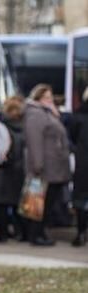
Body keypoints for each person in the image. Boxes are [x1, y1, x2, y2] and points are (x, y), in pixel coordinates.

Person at [24, 84, 72, 246]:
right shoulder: (35, 115)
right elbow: (35, 140)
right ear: (38, 98)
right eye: (46, 97)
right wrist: (37, 164)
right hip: (45, 167)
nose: (49, 100)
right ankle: (36, 234)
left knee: (48, 201)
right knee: (39, 203)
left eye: (51, 97)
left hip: (54, 165)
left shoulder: (47, 113)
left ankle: (40, 232)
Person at [0, 96, 26, 243]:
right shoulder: (24, 127)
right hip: (20, 170)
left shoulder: (0, 127)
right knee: (17, 204)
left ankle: (2, 233)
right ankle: (21, 232)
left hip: (1, 171)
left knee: (1, 204)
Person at [69, 87, 88, 247]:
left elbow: (73, 138)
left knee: (81, 199)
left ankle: (81, 232)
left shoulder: (78, 117)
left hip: (83, 163)